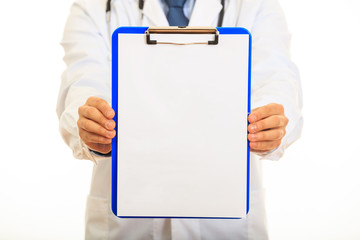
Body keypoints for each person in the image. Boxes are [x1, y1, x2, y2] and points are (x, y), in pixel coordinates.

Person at [57, 0, 303, 239]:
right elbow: (82, 80)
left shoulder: (256, 5)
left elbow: (276, 77)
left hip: (226, 222)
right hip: (129, 226)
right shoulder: (96, 7)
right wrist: (90, 120)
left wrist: (271, 121)